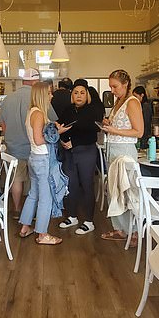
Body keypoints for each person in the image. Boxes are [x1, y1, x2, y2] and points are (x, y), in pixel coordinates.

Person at [0, 68, 57, 218]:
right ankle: (36, 212)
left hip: (13, 148)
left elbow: (3, 126)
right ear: (36, 81)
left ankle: (17, 210)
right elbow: (52, 122)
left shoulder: (8, 99)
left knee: (16, 180)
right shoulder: (38, 100)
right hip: (36, 149)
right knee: (35, 183)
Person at [100, 69, 144, 245]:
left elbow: (139, 132)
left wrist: (114, 130)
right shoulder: (119, 101)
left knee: (127, 192)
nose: (112, 90)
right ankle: (120, 229)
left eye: (115, 86)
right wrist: (108, 122)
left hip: (124, 151)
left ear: (125, 84)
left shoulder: (132, 102)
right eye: (111, 86)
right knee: (114, 191)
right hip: (113, 149)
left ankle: (132, 232)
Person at [19, 82, 63, 245]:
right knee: (46, 198)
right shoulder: (38, 114)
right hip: (42, 159)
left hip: (34, 158)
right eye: (49, 93)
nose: (51, 96)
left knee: (34, 194)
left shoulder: (32, 112)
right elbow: (39, 140)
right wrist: (57, 133)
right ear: (42, 95)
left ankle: (25, 227)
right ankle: (43, 234)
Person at [56, 79, 100, 235]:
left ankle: (89, 221)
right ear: (72, 95)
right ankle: (72, 216)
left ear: (87, 94)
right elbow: (60, 127)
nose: (79, 96)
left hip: (86, 151)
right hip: (68, 153)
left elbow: (92, 132)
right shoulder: (68, 110)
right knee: (70, 185)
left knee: (87, 185)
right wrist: (62, 140)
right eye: (75, 93)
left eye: (82, 93)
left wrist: (73, 142)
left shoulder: (92, 110)